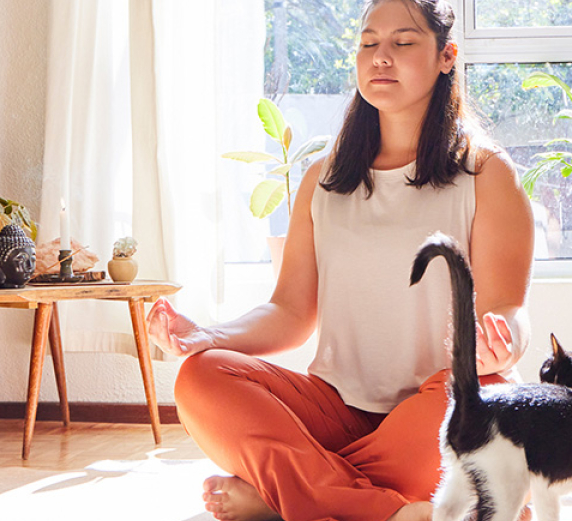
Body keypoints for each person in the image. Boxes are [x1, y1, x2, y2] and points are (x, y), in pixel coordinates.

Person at [146, 0, 533, 519]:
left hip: (437, 405)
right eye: (368, 43)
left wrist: (503, 346)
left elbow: (508, 309)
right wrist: (210, 337)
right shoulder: (323, 180)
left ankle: (286, 489)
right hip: (337, 408)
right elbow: (289, 312)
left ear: (447, 57)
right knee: (199, 378)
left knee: (488, 416)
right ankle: (390, 509)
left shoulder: (486, 174)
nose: (380, 57)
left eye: (403, 42)